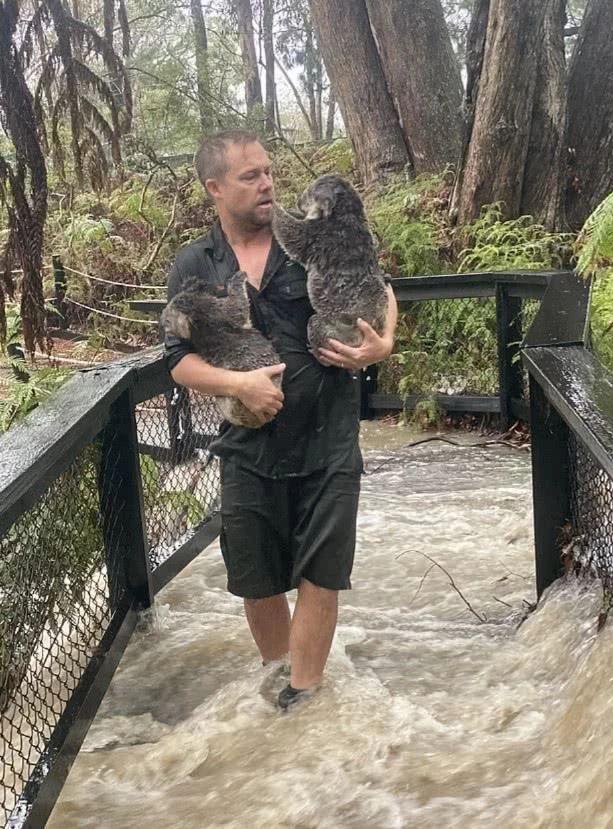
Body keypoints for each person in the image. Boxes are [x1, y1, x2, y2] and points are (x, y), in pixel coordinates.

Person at [165, 129, 398, 710]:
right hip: (247, 443)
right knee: (257, 577)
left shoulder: (310, 235)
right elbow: (178, 361)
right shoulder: (196, 263)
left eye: (268, 172)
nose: (268, 184)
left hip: (329, 435)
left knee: (323, 571)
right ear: (214, 188)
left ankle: (304, 696)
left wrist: (382, 343)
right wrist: (237, 383)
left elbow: (379, 286)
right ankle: (279, 681)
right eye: (251, 176)